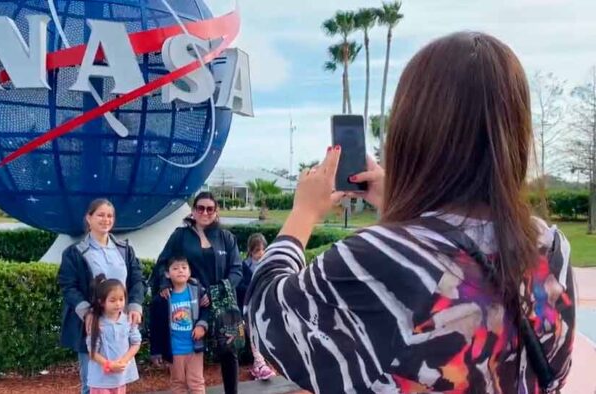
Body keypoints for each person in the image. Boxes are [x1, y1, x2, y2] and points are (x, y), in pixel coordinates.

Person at [245, 32, 575, 393]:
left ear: (413, 130)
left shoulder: (380, 256)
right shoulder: (549, 247)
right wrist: (405, 208)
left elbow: (268, 320)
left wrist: (304, 212)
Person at [151, 191, 243, 394]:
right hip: (190, 304)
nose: (205, 212)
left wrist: (216, 293)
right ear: (193, 210)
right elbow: (162, 263)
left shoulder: (226, 237)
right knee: (190, 354)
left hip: (221, 304)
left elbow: (237, 270)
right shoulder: (180, 236)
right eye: (200, 208)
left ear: (216, 211)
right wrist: (165, 283)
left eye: (210, 208)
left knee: (229, 352)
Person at [58, 198, 147, 394]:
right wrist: (87, 312)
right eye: (100, 215)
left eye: (109, 216)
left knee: (117, 384)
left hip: (119, 326)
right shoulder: (75, 253)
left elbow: (137, 279)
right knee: (92, 384)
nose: (106, 219)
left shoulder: (124, 250)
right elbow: (68, 286)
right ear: (88, 218)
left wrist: (134, 306)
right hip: (91, 326)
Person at [150, 256, 209, 394]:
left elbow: (206, 309)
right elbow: (155, 326)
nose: (180, 271)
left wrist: (202, 325)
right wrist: (156, 351)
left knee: (196, 383)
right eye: (175, 268)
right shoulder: (162, 298)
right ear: (167, 274)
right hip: (174, 350)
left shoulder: (197, 291)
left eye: (184, 267)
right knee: (178, 384)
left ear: (189, 272)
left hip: (194, 348)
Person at [86, 275, 142, 394]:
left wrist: (123, 361)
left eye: (121, 299)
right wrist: (108, 364)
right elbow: (92, 351)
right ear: (101, 302)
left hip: (120, 378)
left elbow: (136, 343)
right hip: (100, 380)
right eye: (112, 300)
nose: (118, 304)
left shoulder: (128, 320)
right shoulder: (96, 323)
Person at [236, 233, 276, 380]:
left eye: (262, 250)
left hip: (264, 308)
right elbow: (240, 288)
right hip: (247, 309)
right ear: (250, 251)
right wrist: (254, 288)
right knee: (252, 326)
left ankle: (268, 360)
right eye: (257, 250)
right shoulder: (243, 266)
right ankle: (259, 363)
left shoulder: (268, 265)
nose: (260, 253)